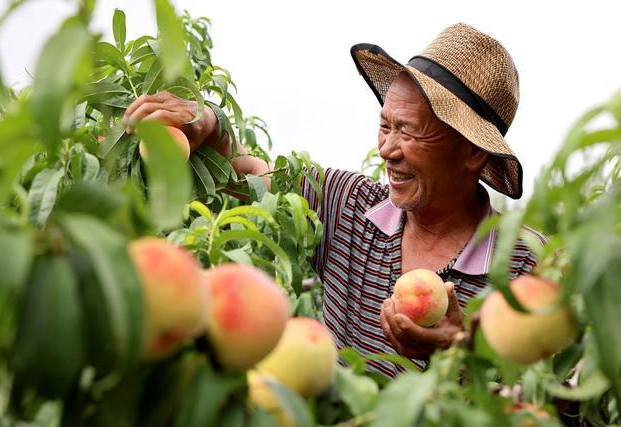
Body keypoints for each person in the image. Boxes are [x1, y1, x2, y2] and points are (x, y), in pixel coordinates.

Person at [124, 23, 544, 377]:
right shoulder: (349, 203)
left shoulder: (527, 267)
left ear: (472, 152)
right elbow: (252, 176)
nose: (386, 149)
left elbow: (559, 407)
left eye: (409, 131)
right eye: (385, 125)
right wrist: (211, 127)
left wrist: (462, 358)